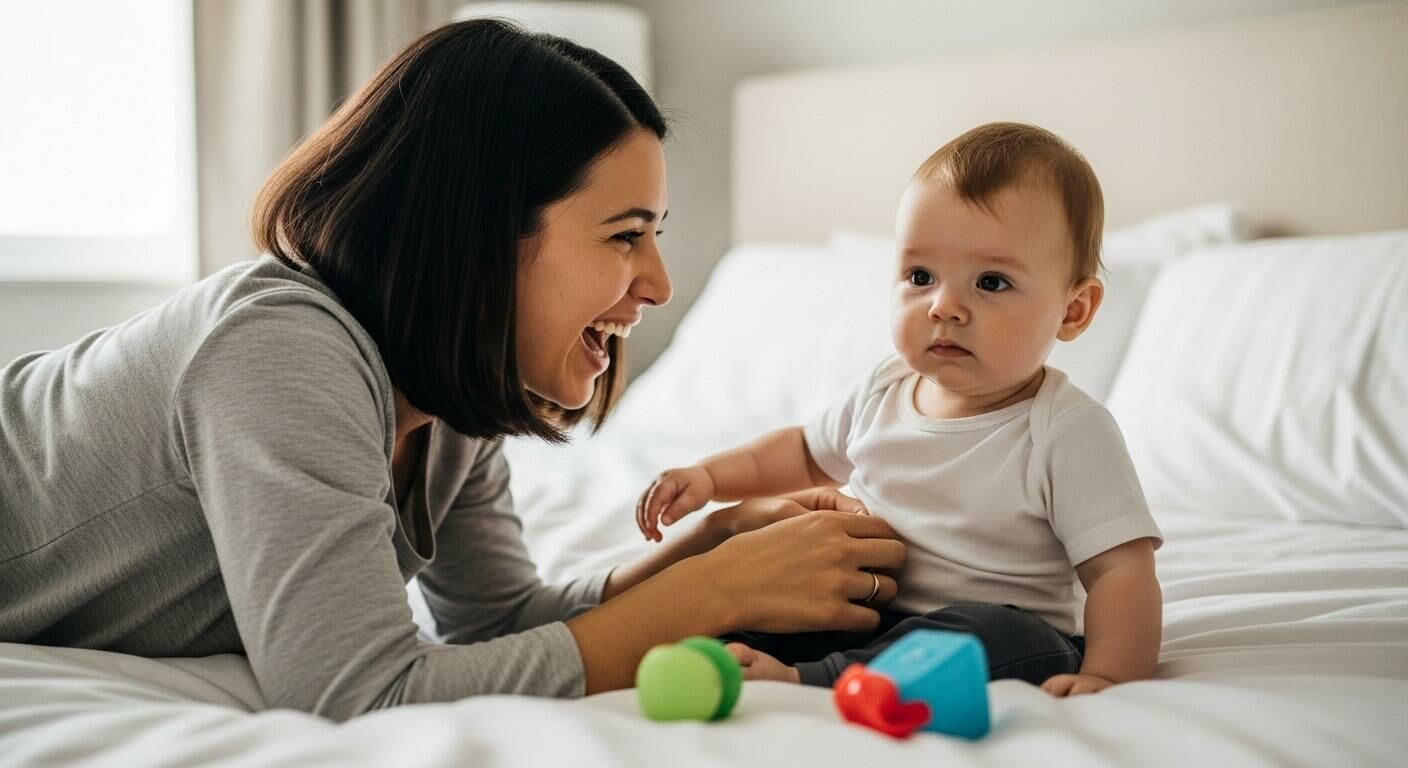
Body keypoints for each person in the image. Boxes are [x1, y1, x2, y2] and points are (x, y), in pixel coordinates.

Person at [0, 20, 906, 722]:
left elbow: (495, 617)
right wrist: (710, 599)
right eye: (626, 235)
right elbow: (360, 692)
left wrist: (704, 553)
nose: (660, 285)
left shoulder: (447, 397)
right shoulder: (280, 351)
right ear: (481, 235)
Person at [636, 122, 1163, 697]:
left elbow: (1120, 570)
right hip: (867, 609)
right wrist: (711, 477)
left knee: (993, 632)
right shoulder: (884, 388)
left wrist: (1109, 674)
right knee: (779, 601)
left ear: (1074, 311)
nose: (945, 306)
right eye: (920, 276)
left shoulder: (1066, 429)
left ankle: (817, 682)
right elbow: (803, 452)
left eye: (991, 281)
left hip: (995, 631)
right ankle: (728, 656)